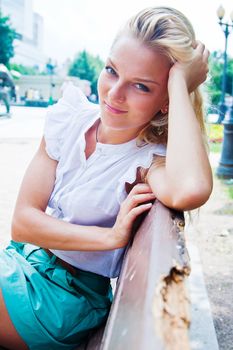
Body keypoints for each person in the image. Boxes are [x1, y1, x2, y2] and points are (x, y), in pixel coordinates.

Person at [0, 6, 212, 350]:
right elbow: (23, 223)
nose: (114, 93)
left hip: (64, 300)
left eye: (141, 86)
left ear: (165, 102)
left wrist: (179, 83)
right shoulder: (69, 120)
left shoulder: (147, 161)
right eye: (112, 70)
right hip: (26, 263)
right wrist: (107, 236)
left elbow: (191, 189)